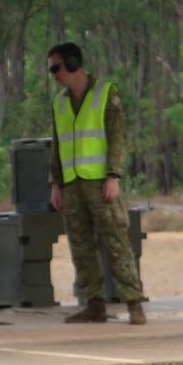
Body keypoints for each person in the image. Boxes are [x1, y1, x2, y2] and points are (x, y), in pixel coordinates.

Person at [46, 42, 146, 323]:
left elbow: (117, 137)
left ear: (74, 64)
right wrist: (56, 184)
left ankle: (134, 303)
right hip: (71, 185)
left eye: (57, 67)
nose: (53, 74)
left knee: (116, 242)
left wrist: (113, 175)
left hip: (101, 183)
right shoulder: (60, 102)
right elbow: (56, 145)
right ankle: (94, 303)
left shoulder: (105, 92)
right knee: (80, 246)